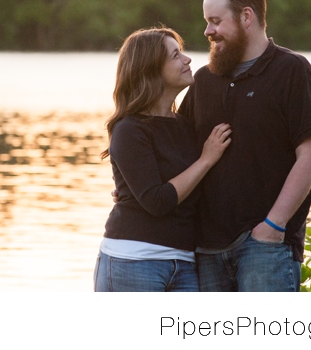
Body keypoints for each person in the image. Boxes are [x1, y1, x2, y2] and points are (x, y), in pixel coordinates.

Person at [179, 0, 311, 292]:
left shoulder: (293, 72)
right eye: (207, 22)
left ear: (246, 16)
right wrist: (140, 185)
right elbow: (178, 148)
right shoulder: (204, 80)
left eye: (215, 21)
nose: (208, 31)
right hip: (206, 251)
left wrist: (273, 226)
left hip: (265, 248)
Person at [94, 27, 231, 292]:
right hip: (133, 261)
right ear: (150, 68)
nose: (187, 60)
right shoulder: (129, 129)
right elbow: (157, 201)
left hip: (184, 262)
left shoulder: (185, 125)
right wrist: (205, 159)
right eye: (175, 55)